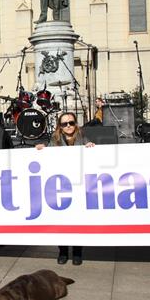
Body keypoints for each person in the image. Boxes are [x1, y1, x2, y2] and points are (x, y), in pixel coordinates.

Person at [36, 112, 95, 265]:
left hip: (78, 184)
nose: (68, 126)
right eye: (64, 124)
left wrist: (91, 147)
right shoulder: (55, 140)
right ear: (60, 127)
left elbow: (92, 158)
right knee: (61, 220)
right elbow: (47, 156)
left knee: (77, 219)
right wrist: (42, 149)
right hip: (60, 185)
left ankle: (77, 252)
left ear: (75, 123)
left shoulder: (83, 138)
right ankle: (62, 251)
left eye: (71, 122)